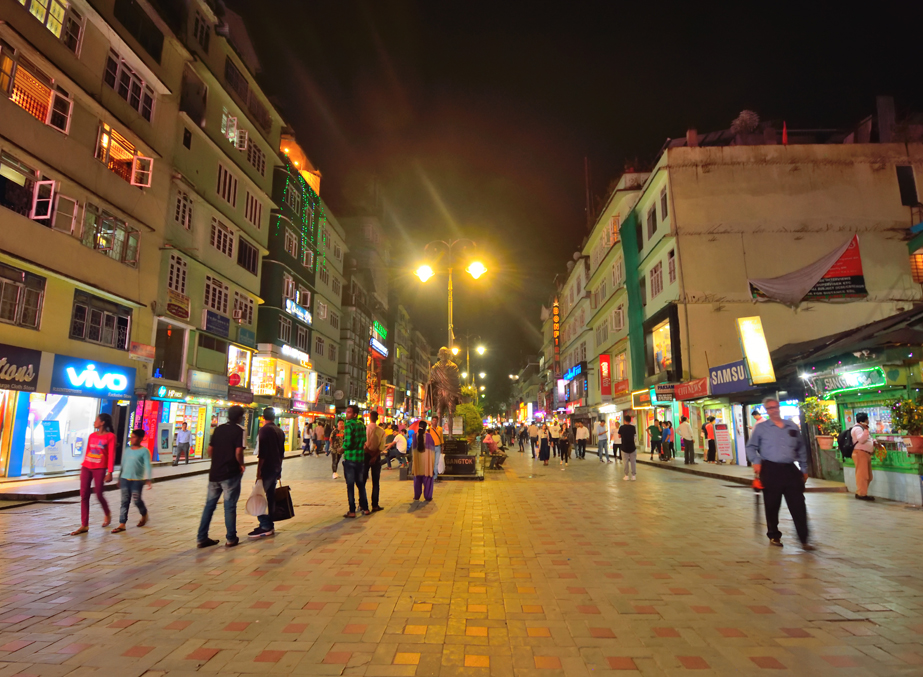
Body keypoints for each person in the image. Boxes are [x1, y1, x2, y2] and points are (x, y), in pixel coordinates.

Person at [746, 397, 814, 550]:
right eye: (770, 408)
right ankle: (774, 535)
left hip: (790, 469)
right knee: (772, 505)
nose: (774, 410)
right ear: (767, 411)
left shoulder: (791, 426)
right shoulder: (761, 428)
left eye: (776, 407)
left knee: (798, 504)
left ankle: (804, 539)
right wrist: (756, 461)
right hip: (770, 469)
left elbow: (801, 448)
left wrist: (804, 469)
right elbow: (751, 447)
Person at [197, 405, 246, 548]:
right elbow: (238, 452)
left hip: (215, 473)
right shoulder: (239, 431)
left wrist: (217, 461)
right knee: (229, 505)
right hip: (230, 473)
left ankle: (201, 537)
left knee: (209, 506)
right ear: (239, 417)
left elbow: (210, 449)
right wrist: (241, 464)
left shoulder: (218, 429)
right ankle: (231, 538)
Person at [70, 413, 116, 535]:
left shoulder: (110, 437)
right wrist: (82, 467)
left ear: (102, 423)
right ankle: (84, 525)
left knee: (99, 493)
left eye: (96, 420)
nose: (94, 422)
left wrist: (110, 472)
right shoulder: (92, 436)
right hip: (87, 467)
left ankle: (107, 512)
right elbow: (88, 452)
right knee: (84, 495)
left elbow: (111, 455)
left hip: (99, 468)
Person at [250, 407, 285, 539]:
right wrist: (279, 469)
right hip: (275, 468)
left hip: (267, 468)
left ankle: (265, 525)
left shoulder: (264, 430)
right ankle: (268, 524)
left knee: (260, 498)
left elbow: (262, 454)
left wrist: (259, 473)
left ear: (263, 416)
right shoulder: (279, 431)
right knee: (269, 497)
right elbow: (281, 453)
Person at [111, 428, 152, 533]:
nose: (132, 439)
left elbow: (148, 465)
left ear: (140, 438)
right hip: (125, 479)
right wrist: (120, 478)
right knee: (124, 501)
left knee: (136, 500)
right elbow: (123, 465)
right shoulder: (127, 450)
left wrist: (148, 478)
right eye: (131, 437)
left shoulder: (144, 451)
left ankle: (144, 514)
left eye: (134, 437)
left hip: (137, 480)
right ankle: (122, 523)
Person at [342, 405, 369, 518]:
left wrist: (341, 449)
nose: (346, 414)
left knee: (350, 485)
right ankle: (366, 508)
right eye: (346, 412)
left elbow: (347, 443)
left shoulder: (348, 425)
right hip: (360, 459)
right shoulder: (362, 424)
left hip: (350, 459)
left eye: (349, 412)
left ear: (354, 414)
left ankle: (352, 510)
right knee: (361, 484)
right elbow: (364, 440)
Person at [365, 411, 386, 512]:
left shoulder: (365, 429)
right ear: (377, 418)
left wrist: (369, 453)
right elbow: (381, 446)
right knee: (375, 481)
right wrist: (374, 456)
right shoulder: (381, 431)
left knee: (362, 481)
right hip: (376, 456)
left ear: (369, 418)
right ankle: (375, 505)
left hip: (365, 455)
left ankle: (363, 505)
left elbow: (363, 444)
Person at [851, 412, 875, 501]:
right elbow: (861, 440)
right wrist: (866, 430)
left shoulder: (861, 428)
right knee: (863, 475)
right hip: (860, 453)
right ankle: (861, 494)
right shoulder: (858, 429)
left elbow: (866, 439)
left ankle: (861, 492)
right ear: (864, 420)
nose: (868, 421)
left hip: (865, 453)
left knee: (868, 475)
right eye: (867, 419)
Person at [412, 420, 435, 501]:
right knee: (428, 481)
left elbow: (413, 452)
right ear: (426, 428)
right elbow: (432, 452)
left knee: (417, 481)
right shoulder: (429, 437)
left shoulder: (414, 436)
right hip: (427, 465)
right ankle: (428, 496)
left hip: (418, 464)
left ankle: (417, 496)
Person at [619, 415, 637, 481]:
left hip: (624, 447)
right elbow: (634, 435)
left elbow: (619, 436)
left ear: (624, 420)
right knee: (633, 462)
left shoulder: (622, 427)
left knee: (625, 462)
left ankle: (626, 475)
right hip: (632, 447)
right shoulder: (633, 427)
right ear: (630, 420)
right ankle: (633, 476)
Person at [430, 416, 444, 480]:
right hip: (431, 447)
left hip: (438, 447)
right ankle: (431, 475)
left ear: (437, 421)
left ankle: (435, 476)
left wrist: (442, 447)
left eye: (436, 420)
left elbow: (441, 438)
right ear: (432, 421)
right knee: (431, 462)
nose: (434, 422)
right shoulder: (429, 429)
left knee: (436, 462)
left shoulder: (440, 429)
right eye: (433, 420)